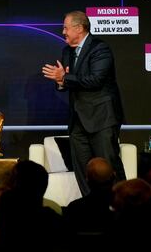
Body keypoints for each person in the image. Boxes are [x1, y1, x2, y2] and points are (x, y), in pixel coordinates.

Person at [41, 10, 125, 196]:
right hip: (78, 120)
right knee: (83, 170)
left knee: (108, 166)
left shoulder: (100, 49)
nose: (63, 32)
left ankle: (121, 206)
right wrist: (61, 81)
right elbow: (68, 81)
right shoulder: (67, 51)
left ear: (79, 28)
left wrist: (65, 78)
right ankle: (91, 206)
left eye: (66, 28)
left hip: (101, 118)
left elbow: (96, 80)